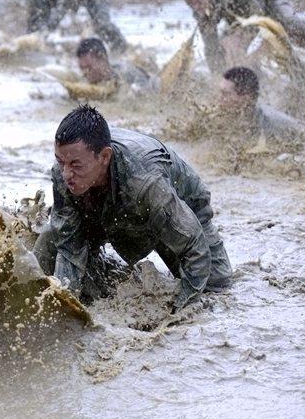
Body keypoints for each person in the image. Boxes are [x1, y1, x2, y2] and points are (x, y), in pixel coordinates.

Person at [33, 104, 232, 311]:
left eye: (75, 165)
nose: (66, 174)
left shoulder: (146, 184)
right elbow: (69, 247)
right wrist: (65, 307)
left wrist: (180, 310)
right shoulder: (64, 173)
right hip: (107, 209)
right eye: (60, 161)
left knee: (215, 290)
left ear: (104, 157)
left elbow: (194, 246)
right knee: (50, 239)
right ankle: (102, 280)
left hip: (170, 211)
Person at [219, 66, 304, 145]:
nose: (219, 98)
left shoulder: (274, 124)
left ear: (246, 98)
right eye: (220, 92)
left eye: (226, 94)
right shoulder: (223, 117)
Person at [76, 37, 157, 94]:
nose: (85, 74)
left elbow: (150, 94)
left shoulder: (126, 74)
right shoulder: (83, 80)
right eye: (82, 69)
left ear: (102, 58)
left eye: (89, 68)